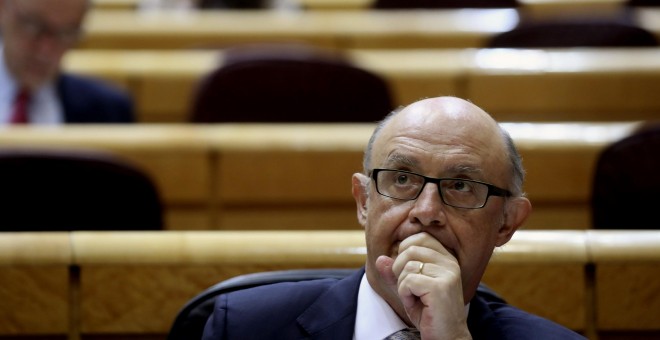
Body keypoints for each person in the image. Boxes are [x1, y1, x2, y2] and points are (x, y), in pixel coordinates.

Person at [201, 96, 586, 340]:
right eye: (402, 179)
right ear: (363, 201)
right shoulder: (244, 327)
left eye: (460, 186)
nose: (426, 211)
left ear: (506, 223)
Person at [0, 0, 134, 124]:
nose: (45, 51)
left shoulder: (109, 111)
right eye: (33, 25)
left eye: (66, 33)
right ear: (3, 7)